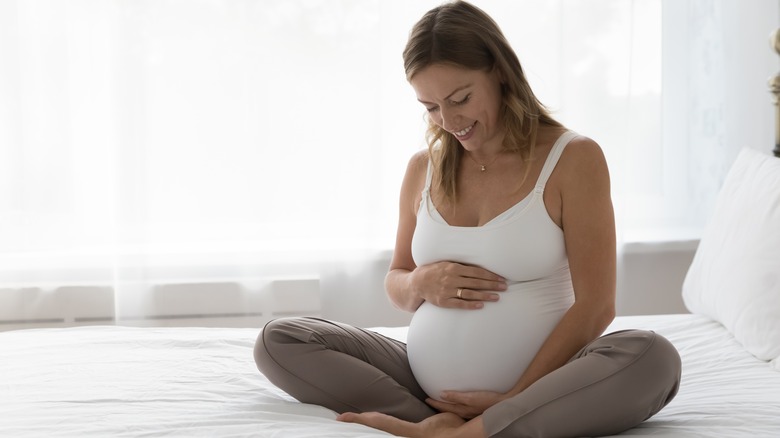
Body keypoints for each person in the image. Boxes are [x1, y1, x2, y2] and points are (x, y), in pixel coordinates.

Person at [254, 1, 681, 437]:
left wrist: (517, 394)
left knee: (653, 356)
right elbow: (397, 282)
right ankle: (449, 424)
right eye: (431, 107)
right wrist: (420, 283)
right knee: (281, 340)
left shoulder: (573, 158)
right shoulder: (423, 168)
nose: (449, 120)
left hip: (541, 384)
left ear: (499, 71)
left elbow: (597, 305)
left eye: (460, 99)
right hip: (424, 386)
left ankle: (471, 429)